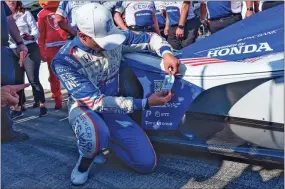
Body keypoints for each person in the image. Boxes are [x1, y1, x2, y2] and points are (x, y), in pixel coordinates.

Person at [51, 3, 179, 186]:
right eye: (103, 41)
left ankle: (106, 142)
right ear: (82, 36)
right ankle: (84, 162)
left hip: (114, 107)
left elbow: (150, 38)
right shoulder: (65, 60)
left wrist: (166, 53)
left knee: (145, 164)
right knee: (93, 135)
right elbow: (96, 102)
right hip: (84, 107)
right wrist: (145, 103)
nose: (109, 44)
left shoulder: (118, 36)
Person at [6, 0, 48, 118]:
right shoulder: (4, 18)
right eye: (8, 0)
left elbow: (36, 31)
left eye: (13, 0)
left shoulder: (26, 14)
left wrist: (31, 36)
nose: (11, 1)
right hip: (13, 51)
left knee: (33, 79)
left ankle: (42, 105)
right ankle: (18, 107)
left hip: (29, 48)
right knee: (17, 81)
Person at [1, 1, 29, 142]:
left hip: (2, 49)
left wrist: (20, 43)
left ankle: (5, 132)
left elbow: (9, 20)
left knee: (6, 92)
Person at [37, 0, 68, 110]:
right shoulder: (41, 14)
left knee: (72, 72)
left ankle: (74, 96)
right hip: (51, 48)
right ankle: (57, 99)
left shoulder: (65, 6)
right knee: (54, 76)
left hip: (67, 44)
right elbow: (41, 34)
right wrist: (42, 51)